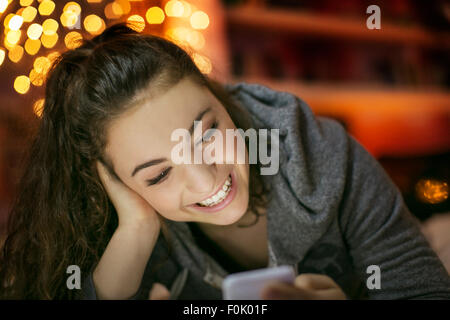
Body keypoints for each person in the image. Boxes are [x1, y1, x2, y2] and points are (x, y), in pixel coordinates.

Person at [1, 23, 449, 300]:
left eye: (207, 133)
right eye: (158, 174)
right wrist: (136, 231)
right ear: (114, 182)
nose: (205, 181)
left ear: (218, 96)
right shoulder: (115, 220)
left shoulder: (328, 153)